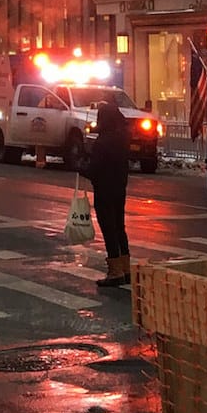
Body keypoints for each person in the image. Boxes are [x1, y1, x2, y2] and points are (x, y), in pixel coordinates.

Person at [85, 99, 132, 291]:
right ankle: (126, 268)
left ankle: (115, 272)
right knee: (120, 227)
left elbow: (94, 169)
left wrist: (81, 166)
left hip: (104, 190)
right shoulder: (122, 140)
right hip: (119, 188)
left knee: (109, 229)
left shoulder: (102, 143)